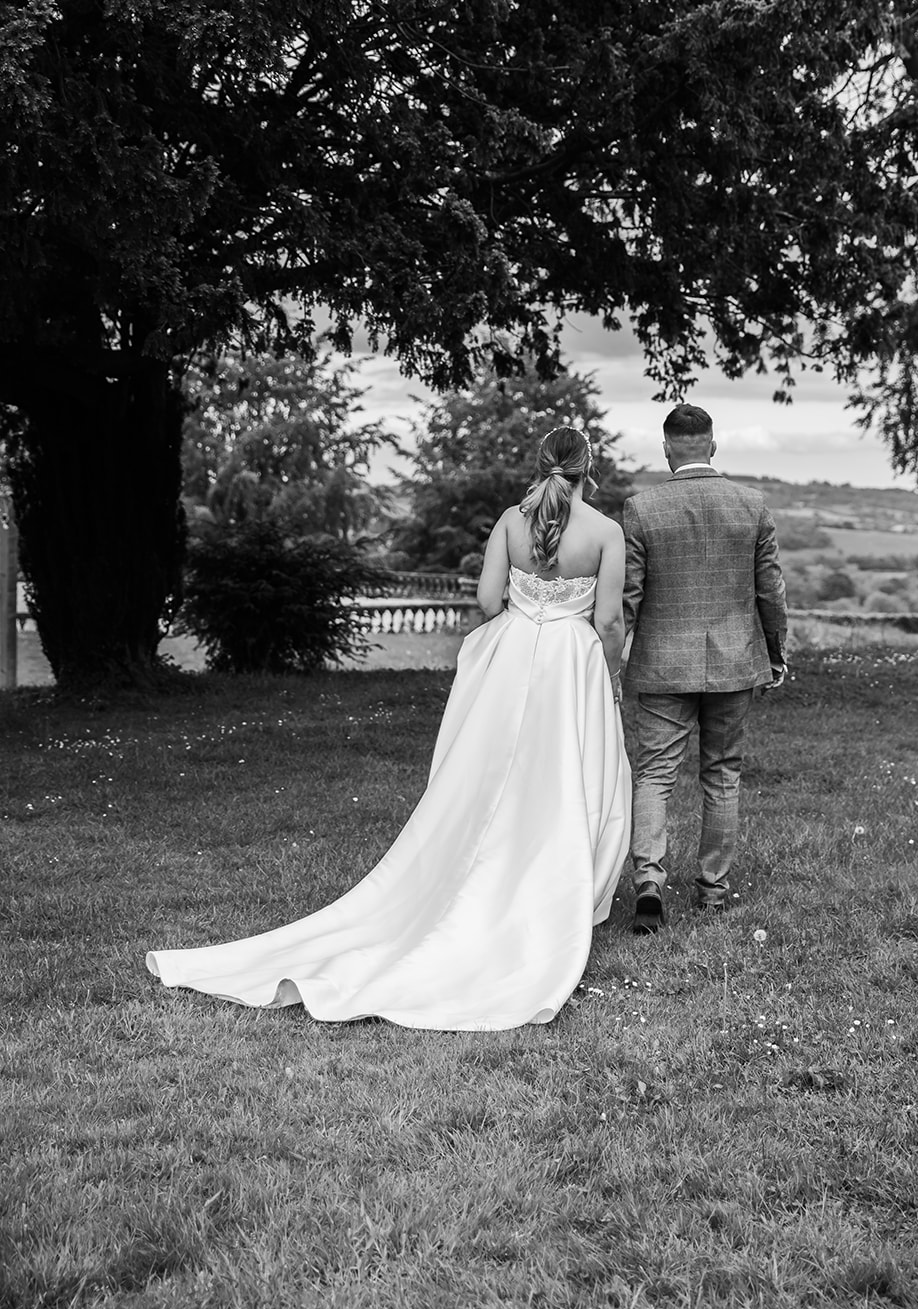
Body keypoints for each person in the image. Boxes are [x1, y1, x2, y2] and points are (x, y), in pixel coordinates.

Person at [147, 427, 631, 1030]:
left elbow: (487, 602)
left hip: (511, 659)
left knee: (486, 772)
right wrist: (605, 672)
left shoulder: (512, 519)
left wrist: (527, 615)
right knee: (563, 775)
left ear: (540, 464)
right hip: (570, 666)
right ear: (592, 467)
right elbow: (609, 620)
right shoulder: (607, 533)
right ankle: (552, 887)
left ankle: (481, 862)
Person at [622, 404, 787, 932]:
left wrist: (606, 653)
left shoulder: (641, 509)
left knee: (654, 775)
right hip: (736, 660)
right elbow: (771, 591)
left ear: (667, 447)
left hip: (661, 664)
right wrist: (775, 649)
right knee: (722, 774)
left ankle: (649, 880)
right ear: (712, 446)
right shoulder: (751, 505)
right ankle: (712, 890)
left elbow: (629, 596)